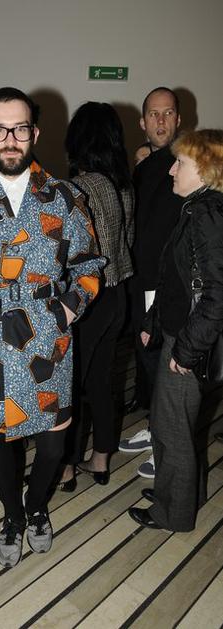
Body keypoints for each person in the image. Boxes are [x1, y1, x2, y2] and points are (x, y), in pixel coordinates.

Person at [0, 87, 104, 568]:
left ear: (34, 132)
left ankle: (36, 506)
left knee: (54, 442)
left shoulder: (66, 198)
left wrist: (66, 312)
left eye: (19, 128)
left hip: (48, 339)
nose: (9, 138)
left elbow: (90, 266)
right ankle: (12, 515)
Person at [128, 129, 223, 531]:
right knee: (176, 425)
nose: (171, 170)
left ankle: (172, 512)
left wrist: (186, 350)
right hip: (178, 333)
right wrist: (153, 322)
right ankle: (182, 493)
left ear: (205, 169)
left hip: (186, 341)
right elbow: (177, 279)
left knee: (172, 430)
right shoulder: (198, 208)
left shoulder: (207, 214)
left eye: (180, 163)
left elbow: (218, 293)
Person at [58, 102, 134, 490]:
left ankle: (66, 467)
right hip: (118, 295)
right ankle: (100, 459)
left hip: (89, 299)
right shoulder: (124, 185)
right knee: (102, 382)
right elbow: (127, 242)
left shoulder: (78, 187)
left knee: (69, 385)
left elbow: (66, 254)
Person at [119, 87, 183, 480]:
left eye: (168, 113)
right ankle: (155, 427)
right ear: (143, 122)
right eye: (154, 114)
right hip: (141, 281)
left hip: (166, 285)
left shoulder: (186, 165)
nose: (161, 121)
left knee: (166, 366)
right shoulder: (145, 167)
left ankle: (167, 446)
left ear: (179, 119)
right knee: (148, 361)